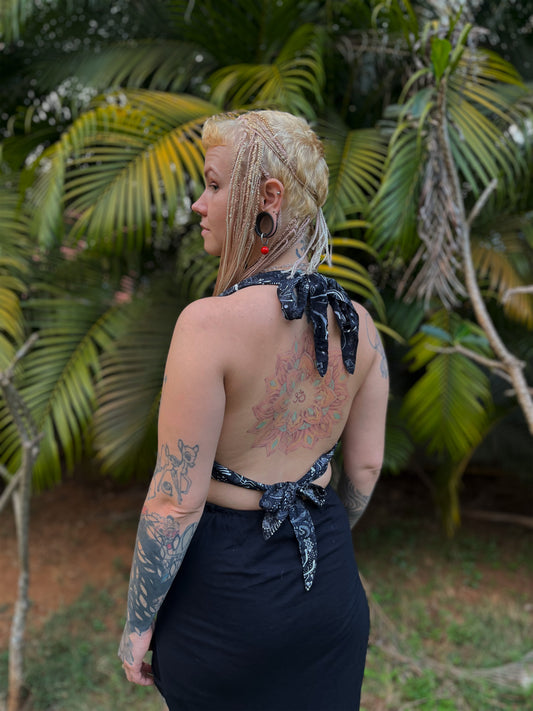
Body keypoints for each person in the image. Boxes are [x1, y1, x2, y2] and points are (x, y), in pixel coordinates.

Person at [118, 110, 389, 710]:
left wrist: (138, 623)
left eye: (214, 185)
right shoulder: (362, 326)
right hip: (330, 589)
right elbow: (366, 468)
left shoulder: (207, 326)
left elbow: (174, 501)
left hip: (227, 604)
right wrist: (325, 534)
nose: (199, 204)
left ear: (268, 197)